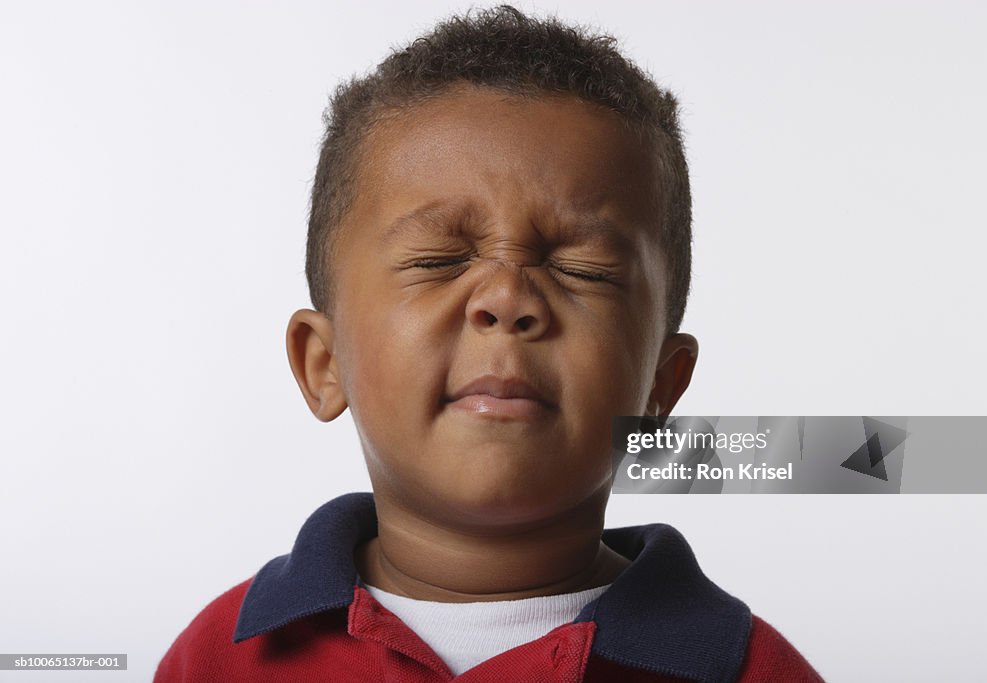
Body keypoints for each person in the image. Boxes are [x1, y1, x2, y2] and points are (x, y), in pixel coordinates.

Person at [156, 6, 822, 681]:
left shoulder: (755, 670)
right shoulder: (220, 657)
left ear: (662, 384)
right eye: (437, 260)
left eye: (582, 269)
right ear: (323, 365)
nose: (507, 299)